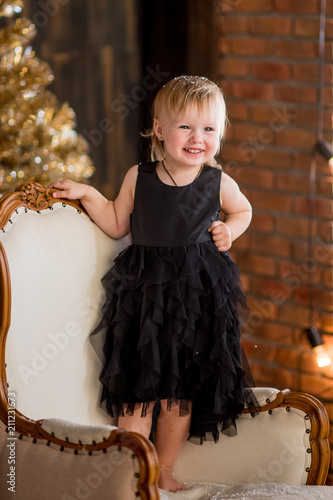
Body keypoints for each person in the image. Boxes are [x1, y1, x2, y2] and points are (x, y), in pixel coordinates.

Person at [50, 75, 259, 493]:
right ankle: (128, 465)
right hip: (145, 299)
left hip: (197, 299)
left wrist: (230, 232)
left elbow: (244, 211)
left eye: (209, 129)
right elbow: (115, 223)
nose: (197, 138)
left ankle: (162, 467)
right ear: (160, 130)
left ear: (220, 134)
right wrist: (90, 195)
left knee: (178, 395)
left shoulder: (218, 183)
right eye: (185, 126)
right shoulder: (139, 176)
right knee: (137, 391)